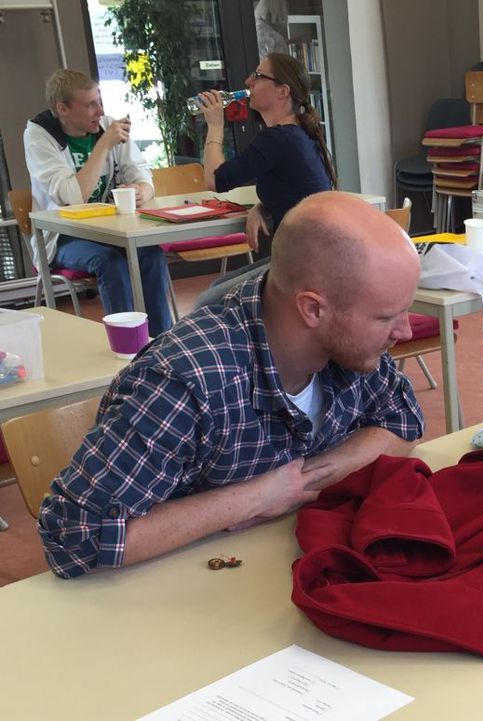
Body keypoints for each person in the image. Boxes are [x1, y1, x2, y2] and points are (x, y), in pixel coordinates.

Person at [37, 192, 424, 579]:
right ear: (312, 309)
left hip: (268, 571)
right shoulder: (185, 381)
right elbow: (74, 538)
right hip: (175, 590)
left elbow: (403, 420)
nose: (405, 331)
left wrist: (307, 480)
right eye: (385, 317)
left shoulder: (348, 347)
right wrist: (257, 497)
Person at [24, 69, 174, 335]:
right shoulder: (39, 136)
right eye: (90, 105)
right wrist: (103, 144)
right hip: (61, 237)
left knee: (151, 254)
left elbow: (142, 174)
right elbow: (72, 197)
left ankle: (163, 340)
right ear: (63, 109)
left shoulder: (107, 126)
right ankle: (128, 343)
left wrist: (142, 190)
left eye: (100, 102)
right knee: (109, 262)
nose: (100, 111)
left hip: (108, 230)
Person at [197, 52, 335, 257]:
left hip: (302, 262)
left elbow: (215, 180)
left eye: (258, 76)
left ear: (283, 92)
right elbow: (295, 192)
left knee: (226, 281)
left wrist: (215, 125)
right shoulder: (300, 133)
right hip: (315, 255)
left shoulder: (277, 139)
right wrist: (263, 207)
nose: (248, 81)